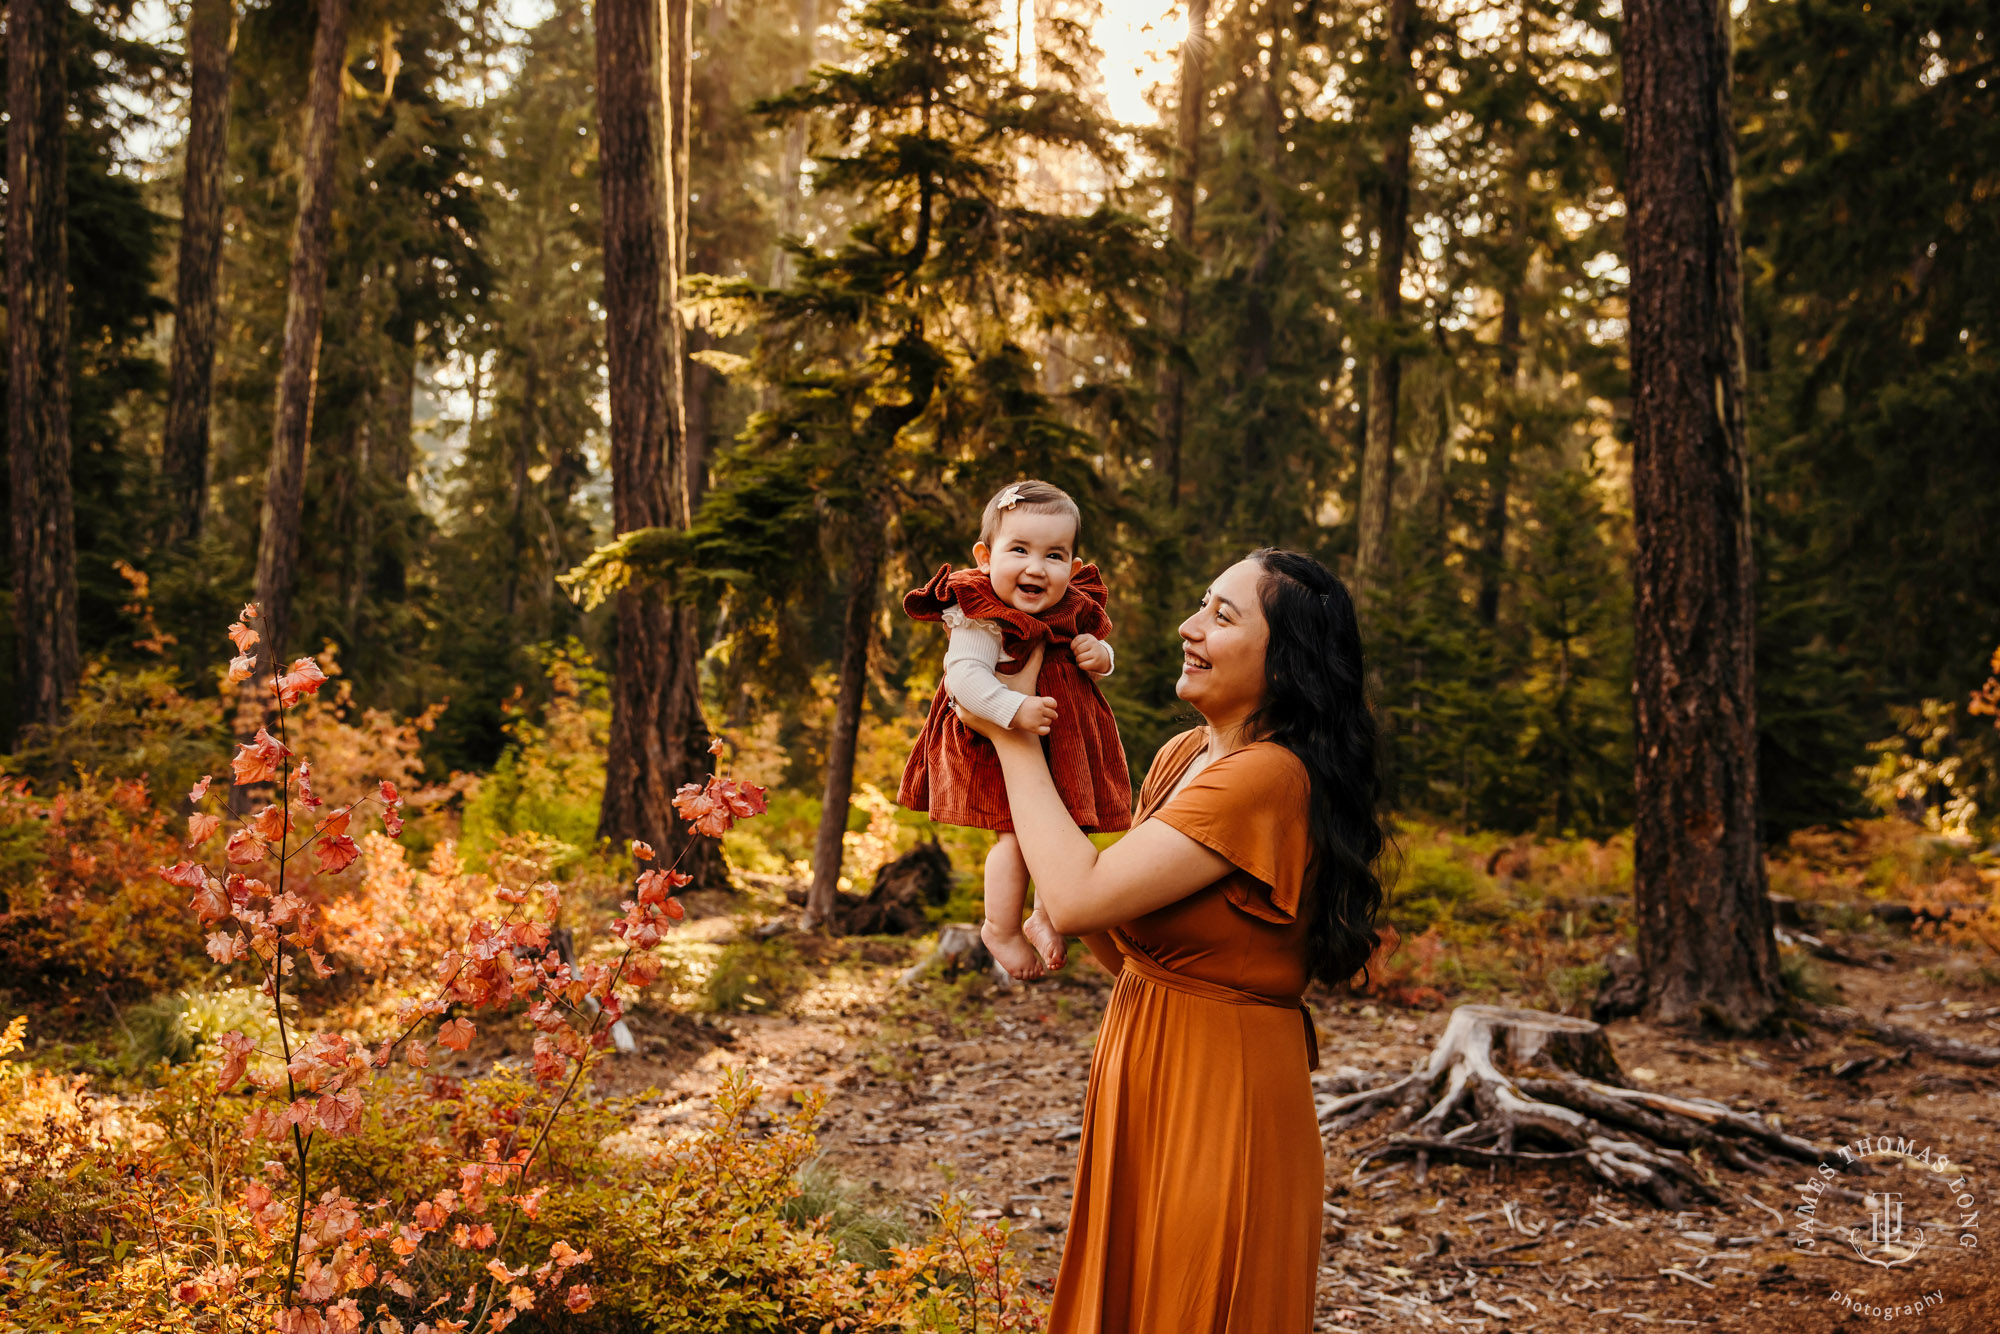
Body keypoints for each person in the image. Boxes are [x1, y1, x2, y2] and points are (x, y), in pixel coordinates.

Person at [955, 548, 1385, 1332]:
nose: (1190, 628)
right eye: (1201, 604)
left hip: (1226, 1088)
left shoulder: (1268, 777)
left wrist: (1013, 738)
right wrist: (1065, 902)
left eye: (1223, 617)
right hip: (1143, 1056)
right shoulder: (1185, 755)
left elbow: (1083, 893)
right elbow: (1125, 940)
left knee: (1191, 1301)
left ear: (1286, 665)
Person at [897, 480, 1132, 980]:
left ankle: (1046, 916)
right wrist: (1012, 709)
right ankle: (999, 926)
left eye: (1053, 555)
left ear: (1071, 568)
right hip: (997, 739)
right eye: (1019, 549)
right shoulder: (980, 614)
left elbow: (1097, 651)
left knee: (1062, 833)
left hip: (1065, 742)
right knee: (1013, 838)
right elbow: (963, 679)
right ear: (985, 556)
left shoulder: (1072, 605)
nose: (1035, 567)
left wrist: (1101, 656)